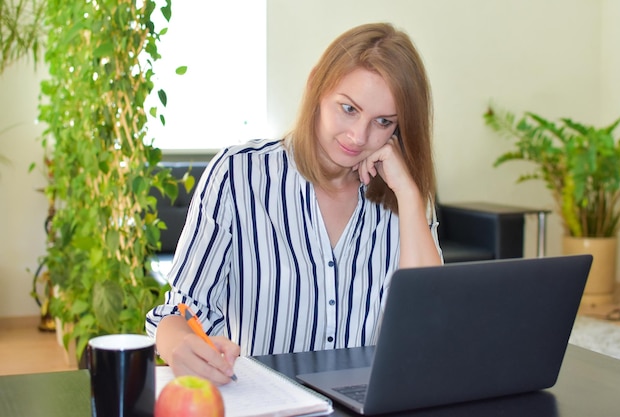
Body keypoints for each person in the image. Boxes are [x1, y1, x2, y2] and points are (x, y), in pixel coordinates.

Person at [146, 22, 442, 385]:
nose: (358, 136)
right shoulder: (238, 175)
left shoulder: (402, 195)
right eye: (348, 109)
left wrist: (410, 197)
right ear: (316, 84)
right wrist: (176, 345)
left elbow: (429, 327)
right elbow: (181, 311)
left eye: (382, 122)